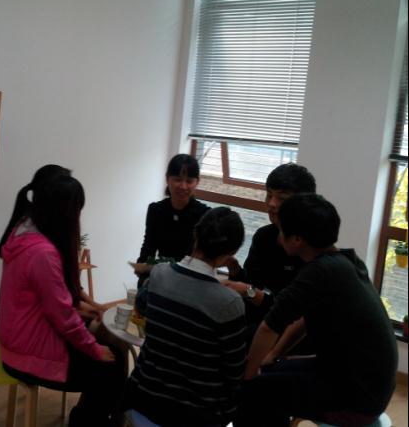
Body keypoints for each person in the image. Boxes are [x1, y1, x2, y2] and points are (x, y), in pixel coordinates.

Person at [236, 194, 398, 427]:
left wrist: (248, 376)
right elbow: (302, 320)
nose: (278, 237)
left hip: (357, 399)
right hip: (365, 383)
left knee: (250, 393)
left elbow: (269, 327)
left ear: (297, 239)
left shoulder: (320, 272)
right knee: (271, 372)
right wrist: (273, 355)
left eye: (282, 231)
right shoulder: (346, 261)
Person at [0, 175, 126, 426]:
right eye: (78, 210)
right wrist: (94, 349)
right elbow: (64, 317)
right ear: (65, 212)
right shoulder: (43, 253)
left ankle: (86, 418)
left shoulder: (22, 234)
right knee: (112, 365)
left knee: (104, 352)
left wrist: (89, 319)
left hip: (14, 343)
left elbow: (60, 304)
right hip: (28, 357)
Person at [126, 207, 247, 427]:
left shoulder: (159, 273)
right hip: (194, 416)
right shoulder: (229, 303)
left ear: (195, 234)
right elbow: (234, 371)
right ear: (232, 253)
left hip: (143, 398)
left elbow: (141, 307)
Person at [222, 163, 316, 347]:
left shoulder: (312, 248)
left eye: (282, 198)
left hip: (297, 337)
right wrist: (235, 271)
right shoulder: (264, 236)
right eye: (269, 195)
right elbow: (251, 286)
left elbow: (295, 313)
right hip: (264, 320)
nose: (272, 204)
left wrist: (250, 292)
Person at [0, 164, 105, 321]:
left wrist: (95, 307)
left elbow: (68, 287)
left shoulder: (27, 232)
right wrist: (91, 311)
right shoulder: (42, 251)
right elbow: (61, 311)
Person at [134, 153, 210, 287]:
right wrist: (142, 270)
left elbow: (205, 257)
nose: (183, 186)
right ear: (167, 179)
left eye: (189, 181)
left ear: (197, 182)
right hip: (162, 277)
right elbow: (148, 247)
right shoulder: (156, 210)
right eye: (178, 179)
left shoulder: (204, 214)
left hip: (190, 281)